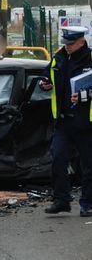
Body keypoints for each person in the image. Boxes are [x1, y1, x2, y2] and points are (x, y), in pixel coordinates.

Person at [39, 26, 92, 217]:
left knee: (88, 165)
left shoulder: (90, 59)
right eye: (66, 43)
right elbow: (46, 75)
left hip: (86, 122)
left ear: (82, 42)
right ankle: (62, 200)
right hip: (63, 121)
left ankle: (88, 203)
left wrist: (85, 95)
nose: (67, 47)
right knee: (58, 158)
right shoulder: (59, 57)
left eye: (71, 44)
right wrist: (44, 83)